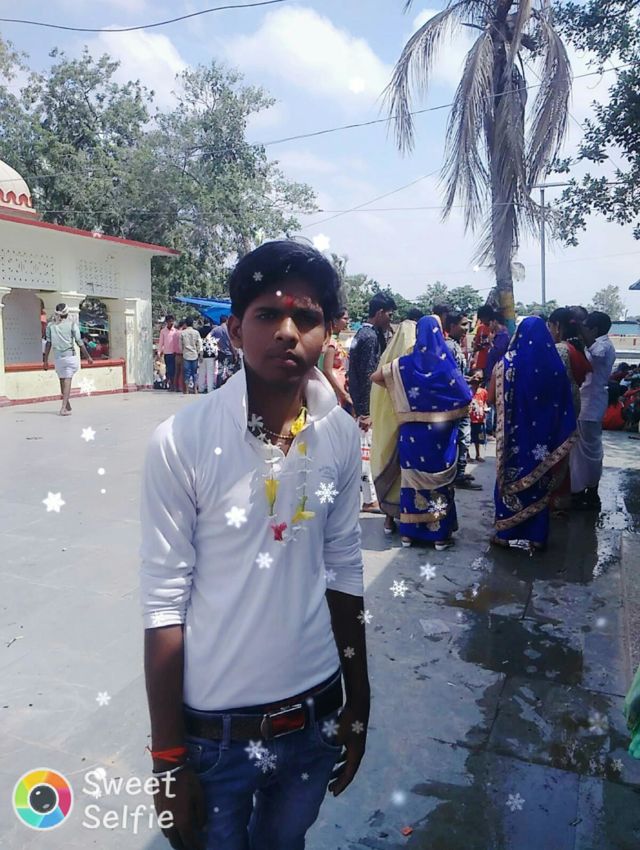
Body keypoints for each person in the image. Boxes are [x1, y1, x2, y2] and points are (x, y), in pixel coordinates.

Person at [140, 240, 370, 850]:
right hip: (216, 734)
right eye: (268, 314)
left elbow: (344, 565)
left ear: (329, 333)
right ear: (237, 330)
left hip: (316, 717)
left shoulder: (340, 434)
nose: (287, 332)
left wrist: (359, 701)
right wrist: (168, 758)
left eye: (306, 317)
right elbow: (164, 600)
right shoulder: (181, 440)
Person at [371, 316, 472, 550]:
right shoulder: (446, 366)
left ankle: (408, 535)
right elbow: (466, 397)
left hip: (413, 435)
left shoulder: (403, 365)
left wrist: (400, 392)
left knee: (411, 481)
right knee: (438, 483)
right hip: (440, 437)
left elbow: (375, 377)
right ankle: (439, 536)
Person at [488, 317, 577, 551]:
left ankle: (505, 534)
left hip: (513, 440)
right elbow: (564, 404)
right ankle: (537, 537)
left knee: (509, 481)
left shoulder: (506, 364)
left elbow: (491, 397)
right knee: (540, 485)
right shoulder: (555, 367)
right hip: (543, 441)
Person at [347, 292, 396, 512]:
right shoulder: (369, 337)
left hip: (361, 404)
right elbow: (367, 375)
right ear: (380, 312)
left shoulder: (365, 334)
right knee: (366, 454)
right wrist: (366, 411)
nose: (391, 320)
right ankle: (369, 500)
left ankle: (371, 496)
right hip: (367, 407)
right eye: (389, 315)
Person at [370, 318, 419, 535]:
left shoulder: (389, 362)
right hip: (407, 423)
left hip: (389, 421)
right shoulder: (409, 364)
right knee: (403, 471)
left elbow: (375, 379)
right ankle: (405, 517)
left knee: (390, 466)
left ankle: (389, 518)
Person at [570, 311, 617, 510]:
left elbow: (595, 355)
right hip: (588, 402)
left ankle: (588, 489)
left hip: (591, 404)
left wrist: (579, 328)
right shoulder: (597, 345)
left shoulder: (603, 346)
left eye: (586, 327)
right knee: (580, 450)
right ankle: (582, 488)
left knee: (589, 450)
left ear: (594, 329)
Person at [445, 312, 481, 491]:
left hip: (461, 399)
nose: (467, 328)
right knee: (460, 437)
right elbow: (449, 376)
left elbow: (457, 374)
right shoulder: (449, 347)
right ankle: (456, 474)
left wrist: (469, 379)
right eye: (463, 324)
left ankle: (459, 471)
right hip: (455, 402)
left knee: (463, 438)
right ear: (452, 326)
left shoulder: (456, 345)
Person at [43, 303, 94, 416]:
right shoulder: (72, 325)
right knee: (67, 381)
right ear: (67, 313)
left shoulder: (50, 326)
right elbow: (79, 342)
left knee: (63, 381)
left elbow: (48, 343)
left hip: (58, 358)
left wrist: (45, 361)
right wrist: (88, 357)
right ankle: (63, 408)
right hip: (70, 356)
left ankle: (66, 404)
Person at [321, 307, 353, 411]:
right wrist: (344, 395)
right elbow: (327, 370)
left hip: (339, 388)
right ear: (335, 321)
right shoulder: (331, 343)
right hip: (334, 391)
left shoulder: (336, 340)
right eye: (345, 318)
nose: (347, 322)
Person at [212, 315, 241, 389]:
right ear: (227, 320)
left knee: (220, 370)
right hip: (229, 353)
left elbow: (209, 338)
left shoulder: (216, 329)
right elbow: (231, 343)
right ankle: (229, 386)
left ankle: (218, 386)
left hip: (220, 353)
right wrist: (235, 354)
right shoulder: (228, 329)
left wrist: (216, 346)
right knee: (229, 370)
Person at [180, 316, 203, 395]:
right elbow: (199, 344)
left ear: (186, 323)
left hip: (186, 355)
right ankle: (195, 389)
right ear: (192, 323)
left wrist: (183, 352)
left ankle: (186, 390)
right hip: (194, 355)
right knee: (195, 373)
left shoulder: (183, 333)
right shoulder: (196, 333)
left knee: (186, 373)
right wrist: (199, 353)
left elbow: (180, 345)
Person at [158, 315, 181, 392]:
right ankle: (171, 385)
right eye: (169, 321)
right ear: (166, 322)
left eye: (172, 321)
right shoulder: (163, 331)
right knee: (169, 370)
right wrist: (159, 352)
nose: (171, 323)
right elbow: (161, 342)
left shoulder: (176, 331)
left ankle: (175, 385)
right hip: (167, 353)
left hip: (175, 353)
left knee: (174, 370)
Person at [469, 372, 488, 462]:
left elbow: (485, 402)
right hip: (470, 418)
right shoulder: (468, 392)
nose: (475, 385)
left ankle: (478, 454)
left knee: (479, 438)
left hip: (479, 419)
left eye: (477, 383)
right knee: (469, 438)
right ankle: (467, 455)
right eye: (474, 383)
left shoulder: (483, 392)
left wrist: (485, 409)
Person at [472, 305, 493, 373]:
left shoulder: (495, 328)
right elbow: (476, 344)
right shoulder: (480, 328)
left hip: (491, 361)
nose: (481, 320)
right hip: (481, 361)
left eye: (482, 318)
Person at [197, 322, 216, 394]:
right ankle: (210, 389)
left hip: (202, 353)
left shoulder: (199, 330)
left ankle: (201, 388)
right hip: (210, 353)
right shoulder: (212, 330)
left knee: (201, 372)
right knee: (210, 372)